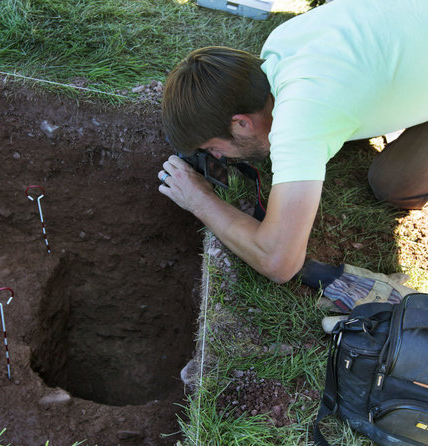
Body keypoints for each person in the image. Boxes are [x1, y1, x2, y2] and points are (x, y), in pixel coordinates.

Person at [158, 0, 428, 285]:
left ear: (241, 123)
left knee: (393, 185)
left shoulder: (302, 115)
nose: (218, 157)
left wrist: (200, 200)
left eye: (213, 148)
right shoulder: (279, 45)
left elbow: (279, 261)